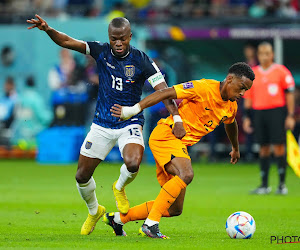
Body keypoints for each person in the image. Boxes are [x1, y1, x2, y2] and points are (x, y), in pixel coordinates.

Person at [27, 15, 185, 235]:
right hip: (101, 124)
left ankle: (119, 187)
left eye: (122, 39)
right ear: (109, 38)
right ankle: (94, 211)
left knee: (133, 162)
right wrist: (48, 29)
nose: (118, 43)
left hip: (129, 122)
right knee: (81, 175)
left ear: (130, 37)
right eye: (114, 39)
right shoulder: (100, 51)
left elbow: (165, 91)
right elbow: (66, 41)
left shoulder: (142, 60)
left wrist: (177, 118)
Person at [107, 62, 255, 238]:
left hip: (179, 145)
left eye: (246, 90)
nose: (242, 93)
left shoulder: (231, 106)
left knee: (174, 208)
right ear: (230, 79)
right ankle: (150, 225)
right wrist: (133, 109)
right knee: (186, 174)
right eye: (241, 87)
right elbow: (165, 92)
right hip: (167, 135)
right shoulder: (203, 87)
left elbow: (231, 124)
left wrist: (235, 148)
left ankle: (117, 219)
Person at [243, 42, 295, 195]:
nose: (264, 56)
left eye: (267, 53)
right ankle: (264, 185)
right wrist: (247, 117)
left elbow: (290, 94)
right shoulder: (253, 73)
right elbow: (248, 98)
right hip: (259, 113)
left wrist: (290, 115)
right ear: (258, 55)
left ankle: (281, 185)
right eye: (261, 53)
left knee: (279, 146)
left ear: (272, 55)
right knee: (263, 147)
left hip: (277, 112)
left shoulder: (281, 71)